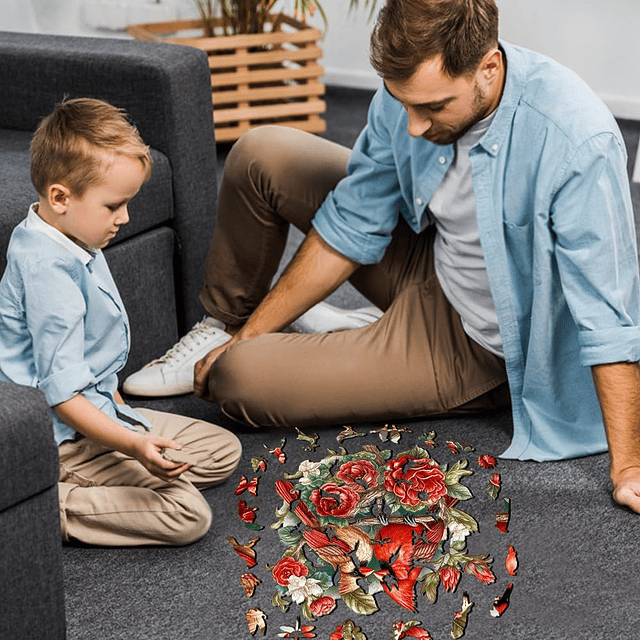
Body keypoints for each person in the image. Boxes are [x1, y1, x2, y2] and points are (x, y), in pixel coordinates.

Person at [124, 0, 640, 513]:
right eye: (403, 102)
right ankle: (225, 325)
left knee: (235, 378)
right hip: (432, 256)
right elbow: (353, 220)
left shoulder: (575, 140)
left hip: (480, 345)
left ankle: (339, 338)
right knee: (261, 154)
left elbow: (606, 314)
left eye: (434, 108)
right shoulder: (411, 93)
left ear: (489, 67)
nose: (413, 125)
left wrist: (629, 467)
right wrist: (246, 333)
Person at [0, 98, 241, 546]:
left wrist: (123, 421)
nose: (124, 218)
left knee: (223, 451)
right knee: (187, 515)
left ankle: (120, 480)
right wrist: (131, 445)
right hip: (64, 437)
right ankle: (46, 504)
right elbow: (63, 398)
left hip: (99, 412)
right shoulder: (46, 271)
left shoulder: (72, 236)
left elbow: (91, 364)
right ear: (60, 197)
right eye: (114, 206)